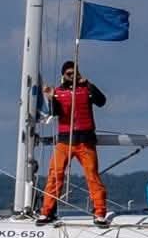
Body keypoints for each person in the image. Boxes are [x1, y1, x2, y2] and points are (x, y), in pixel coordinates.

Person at [37, 60, 108, 225]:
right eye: (68, 73)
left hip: (85, 141)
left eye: (74, 73)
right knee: (55, 174)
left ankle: (99, 211)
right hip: (65, 141)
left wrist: (88, 83)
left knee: (92, 176)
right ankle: (47, 211)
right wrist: (50, 97)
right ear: (63, 75)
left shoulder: (86, 90)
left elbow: (101, 101)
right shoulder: (58, 92)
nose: (72, 76)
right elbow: (55, 112)